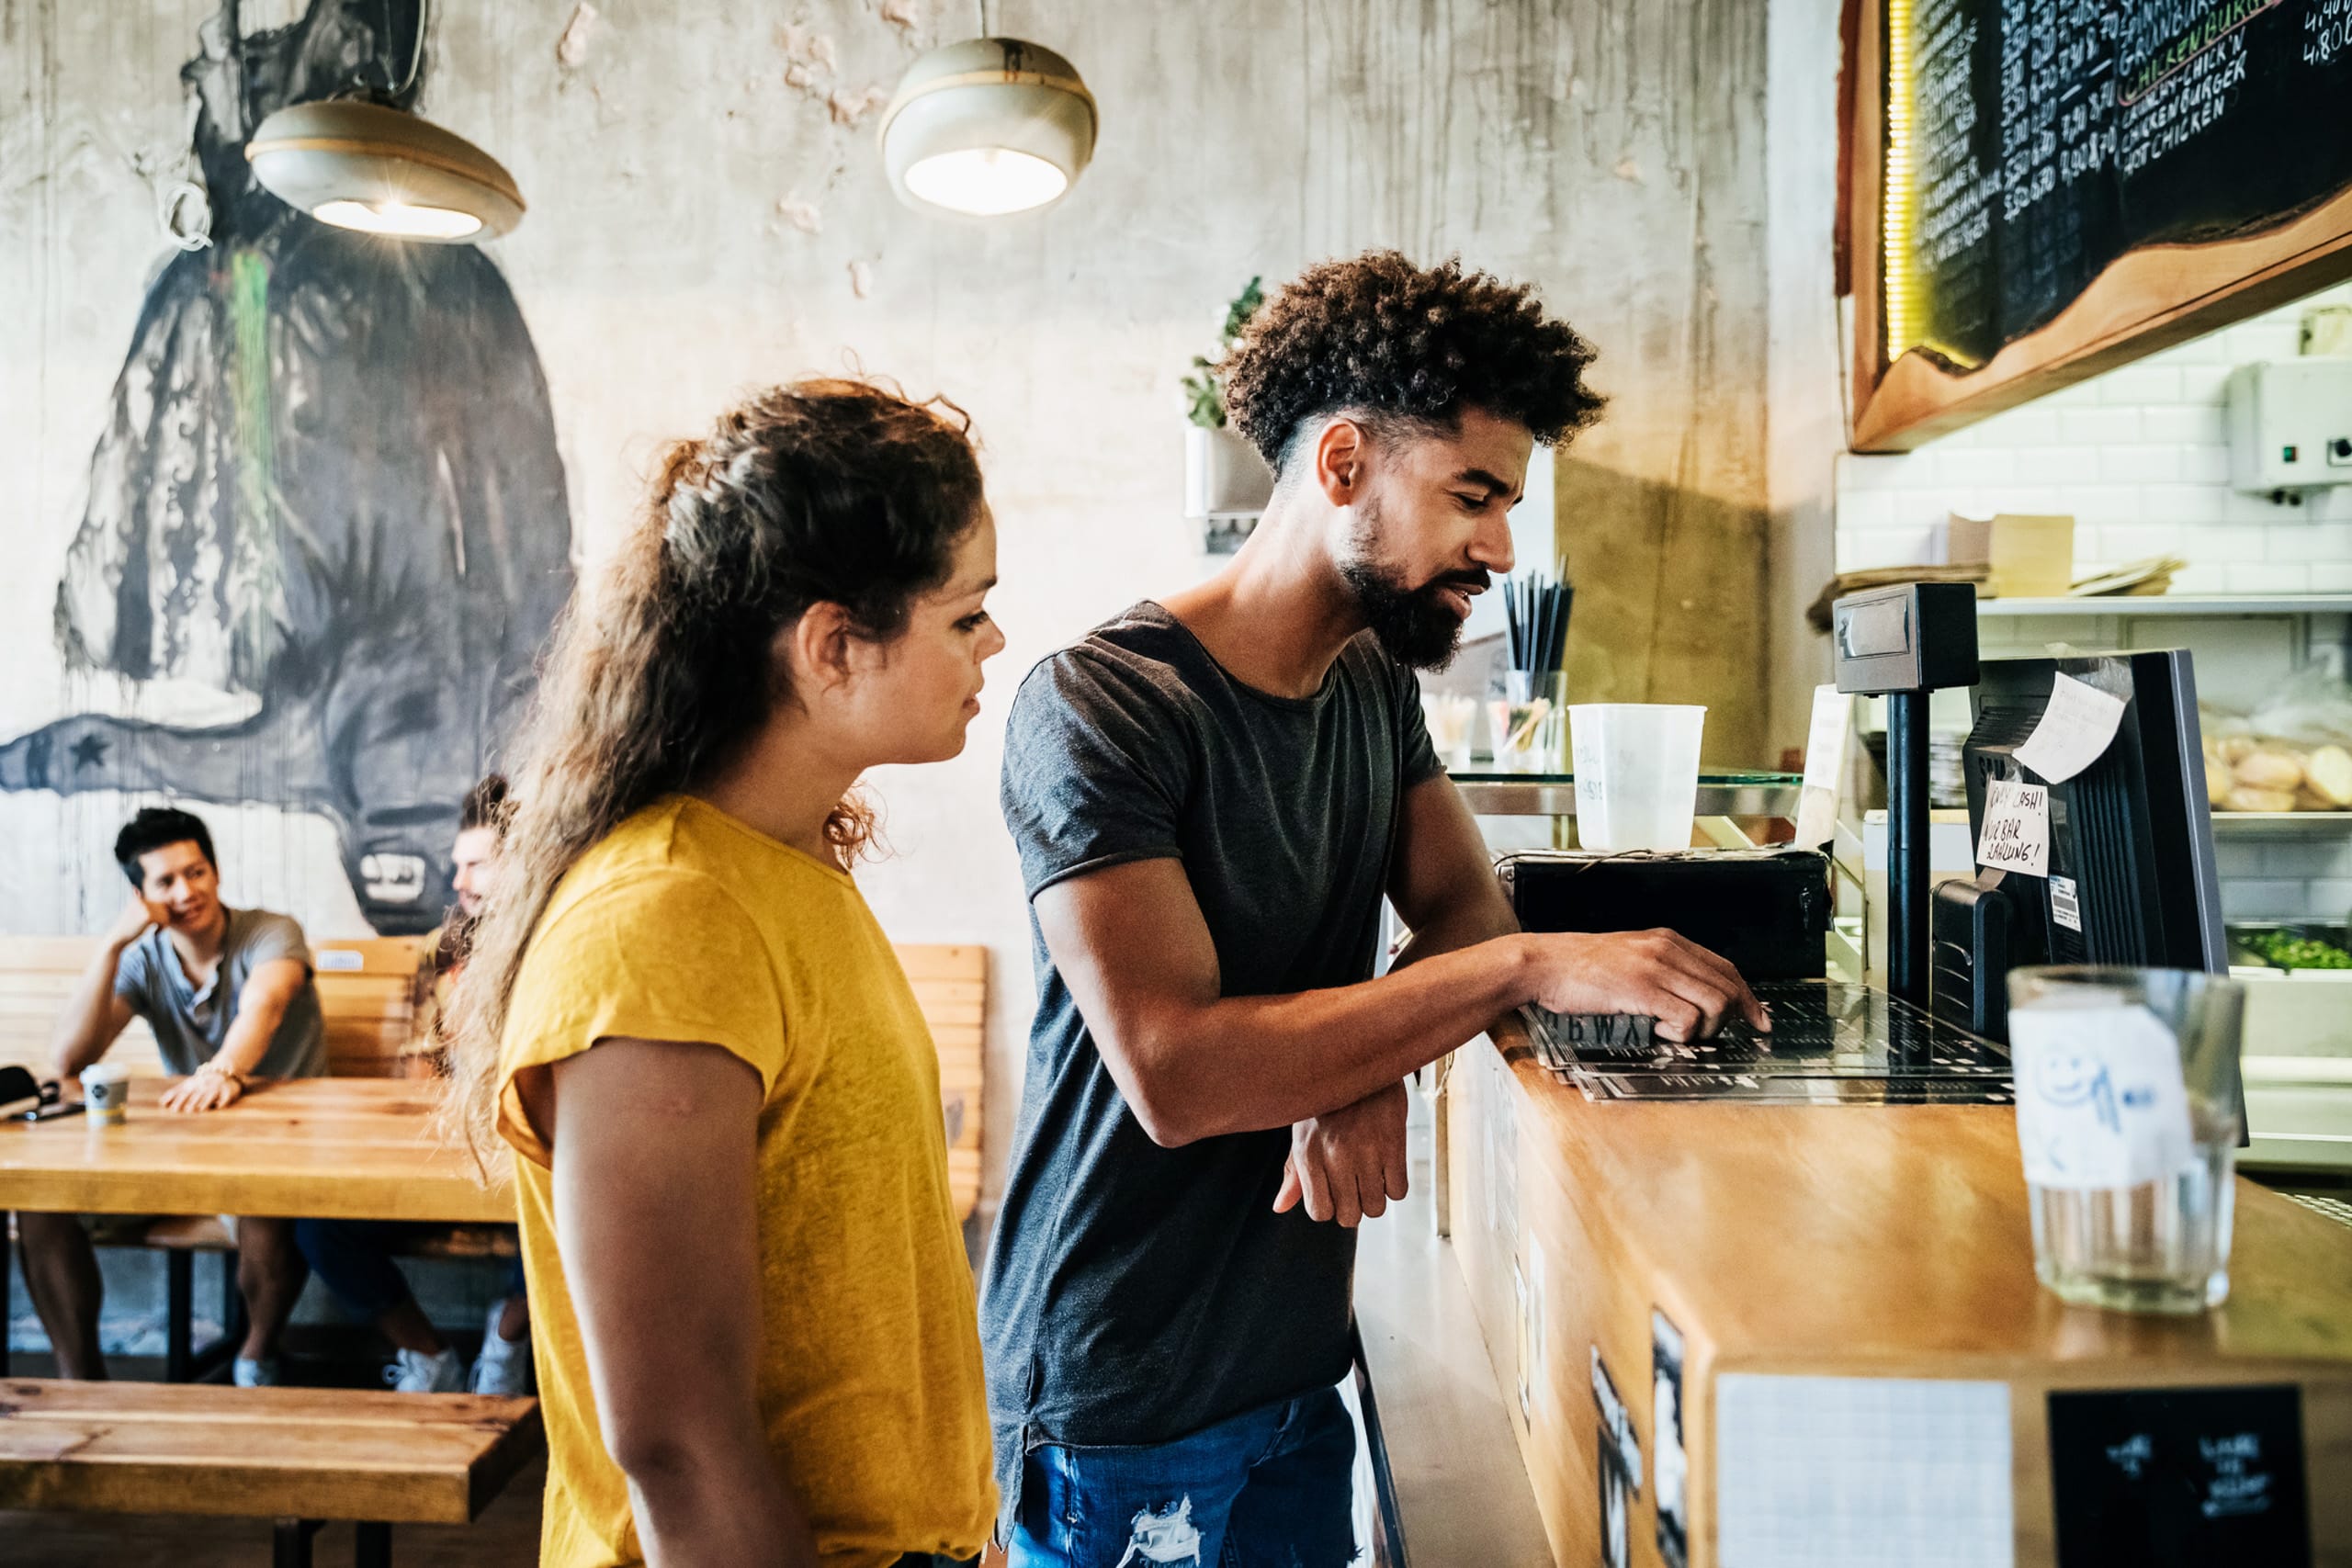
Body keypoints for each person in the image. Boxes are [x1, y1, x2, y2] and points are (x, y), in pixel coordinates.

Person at [983, 252, 1769, 1567]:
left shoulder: (1367, 687)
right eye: (1473, 495)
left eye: (1508, 503)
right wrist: (1521, 968)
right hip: (1128, 1386)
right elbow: (1178, 1069)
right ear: (1343, 460)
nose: (1501, 549)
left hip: (1295, 1359)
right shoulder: (1102, 706)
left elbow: (1458, 900)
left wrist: (1361, 1069)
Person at [445, 379, 1001, 1568]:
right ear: (834, 644)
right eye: (965, 615)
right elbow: (679, 1446)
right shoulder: (663, 918)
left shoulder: (780, 866)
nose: (992, 643)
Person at [17, 807, 325, 1386]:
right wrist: (113, 944)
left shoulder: (271, 932)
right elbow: (67, 1060)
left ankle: (256, 1358)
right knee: (42, 1203)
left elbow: (266, 1003)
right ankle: (79, 1381)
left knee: (265, 1201)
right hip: (183, 1143)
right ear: (141, 894)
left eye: (197, 872)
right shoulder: (143, 958)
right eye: (166, 881)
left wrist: (224, 1069)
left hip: (281, 1141)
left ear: (215, 871)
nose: (187, 891)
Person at [295, 774, 532, 1395]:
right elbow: (422, 1063)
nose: (459, 882)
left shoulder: (568, 942)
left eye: (478, 864)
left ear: (531, 853)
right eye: (459, 864)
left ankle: (507, 1336)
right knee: (320, 1223)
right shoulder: (445, 948)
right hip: (454, 1148)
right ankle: (430, 1355)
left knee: (565, 1205)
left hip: (533, 1154)